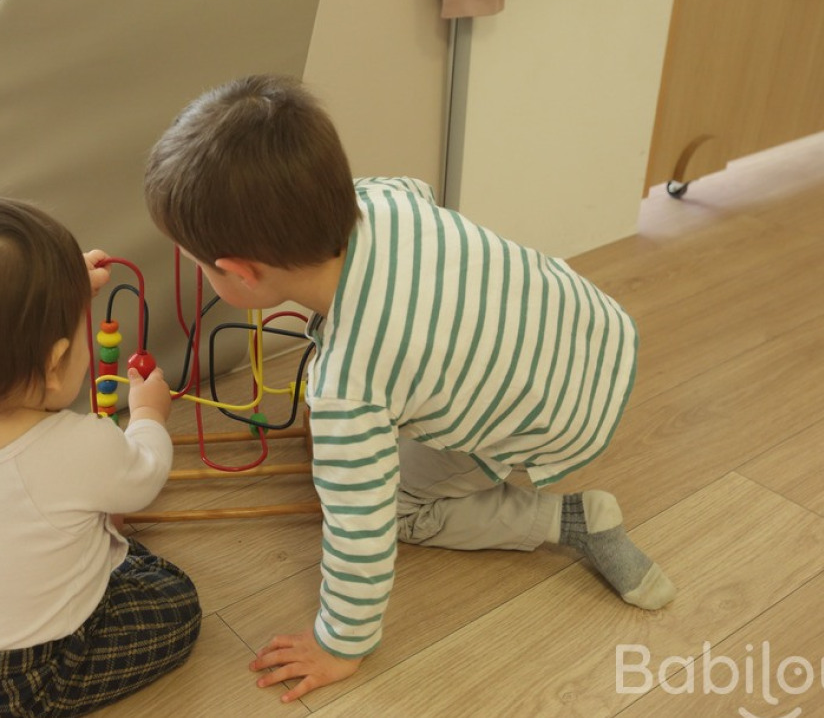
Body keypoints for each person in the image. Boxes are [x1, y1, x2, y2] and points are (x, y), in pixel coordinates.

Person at [143, 74, 676, 702]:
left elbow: (359, 530)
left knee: (399, 511)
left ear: (239, 274)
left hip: (546, 422)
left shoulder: (348, 386)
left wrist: (341, 642)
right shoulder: (384, 198)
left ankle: (569, 520)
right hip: (592, 334)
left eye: (200, 265)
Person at [0, 195, 201, 716]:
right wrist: (148, 416)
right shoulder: (77, 447)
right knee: (176, 603)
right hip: (26, 680)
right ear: (55, 362)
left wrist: (62, 292)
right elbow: (146, 478)